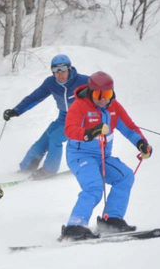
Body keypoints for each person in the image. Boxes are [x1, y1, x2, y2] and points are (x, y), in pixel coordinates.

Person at [60, 71, 153, 240]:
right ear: (90, 92)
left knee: (125, 177)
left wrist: (142, 144)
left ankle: (111, 220)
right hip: (80, 156)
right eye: (98, 95)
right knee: (94, 187)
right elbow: (70, 130)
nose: (103, 99)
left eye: (107, 94)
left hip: (103, 157)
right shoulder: (80, 106)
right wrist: (91, 132)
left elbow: (129, 128)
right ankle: (74, 226)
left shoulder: (114, 107)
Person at [3, 54, 90, 179]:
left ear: (69, 69)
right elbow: (35, 97)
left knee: (56, 137)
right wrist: (16, 111)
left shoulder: (83, 81)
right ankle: (27, 168)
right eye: (56, 71)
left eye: (63, 70)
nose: (60, 74)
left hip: (80, 119)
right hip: (64, 116)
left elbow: (104, 88)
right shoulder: (51, 83)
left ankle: (49, 170)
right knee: (45, 138)